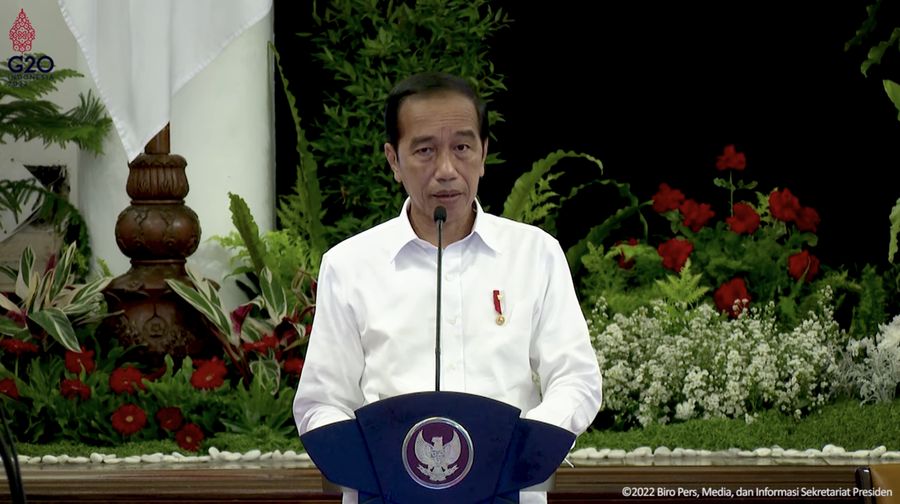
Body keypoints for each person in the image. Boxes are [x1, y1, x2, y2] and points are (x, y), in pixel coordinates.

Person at [293, 72, 603, 504]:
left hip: (509, 493)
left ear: (483, 154)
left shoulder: (535, 254)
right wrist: (372, 464)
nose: (446, 170)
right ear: (393, 160)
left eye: (462, 148)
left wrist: (524, 449)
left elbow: (576, 378)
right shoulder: (349, 265)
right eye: (424, 150)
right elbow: (320, 402)